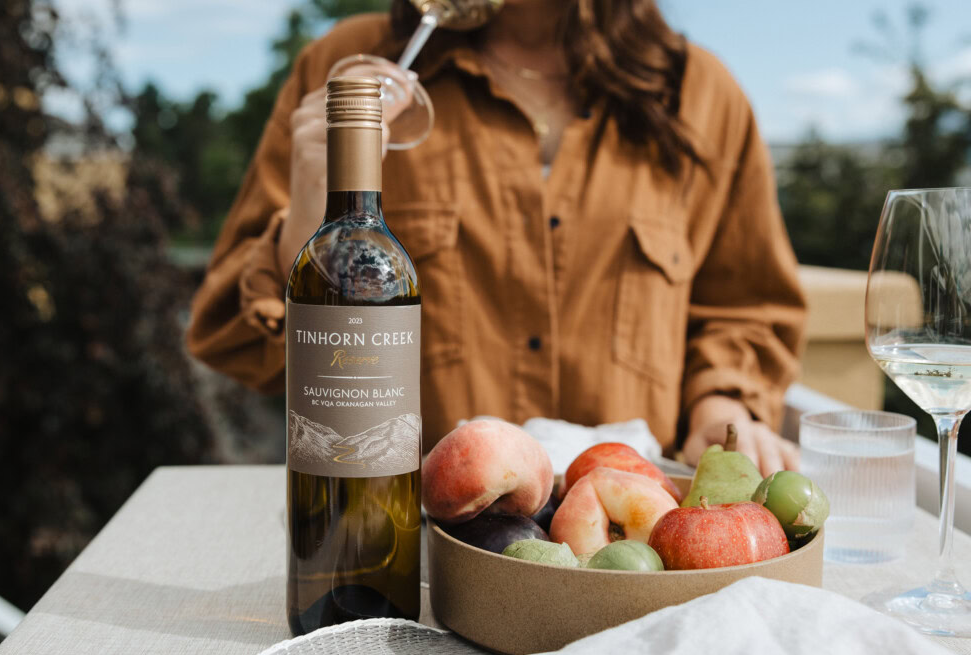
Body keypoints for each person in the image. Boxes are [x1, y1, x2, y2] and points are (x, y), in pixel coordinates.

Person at [185, 0, 807, 475]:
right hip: (409, 558)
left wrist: (722, 406)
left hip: (631, 555)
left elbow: (744, 308)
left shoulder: (702, 96)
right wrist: (308, 219)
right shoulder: (348, 69)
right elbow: (240, 344)